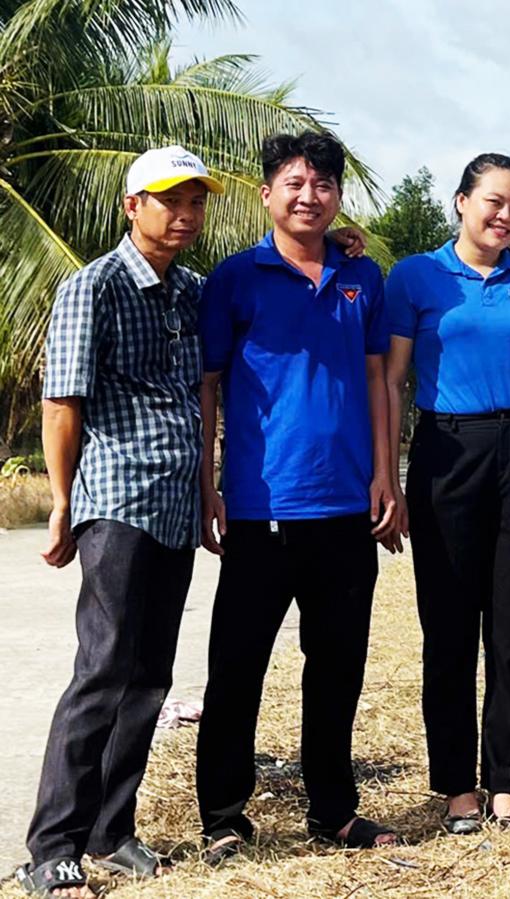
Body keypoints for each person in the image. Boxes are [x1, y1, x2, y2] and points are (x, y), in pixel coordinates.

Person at [15, 146, 221, 898]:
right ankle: (53, 846)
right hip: (116, 500)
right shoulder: (93, 286)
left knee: (151, 675)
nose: (185, 215)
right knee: (102, 668)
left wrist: (207, 491)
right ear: (133, 206)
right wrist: (62, 503)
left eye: (195, 202)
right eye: (169, 200)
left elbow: (202, 393)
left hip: (173, 504)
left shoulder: (193, 291)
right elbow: (61, 403)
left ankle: (111, 829)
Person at [195, 131, 402, 861]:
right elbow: (209, 386)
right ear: (266, 195)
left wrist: (386, 474)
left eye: (323, 184)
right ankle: (223, 815)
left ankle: (334, 811)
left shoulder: (361, 275)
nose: (309, 196)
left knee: (338, 668)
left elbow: (378, 378)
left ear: (338, 196)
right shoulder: (234, 278)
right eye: (294, 182)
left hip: (346, 508)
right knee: (237, 667)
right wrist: (209, 484)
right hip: (262, 509)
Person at [382, 153, 510, 834]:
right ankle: (458, 785)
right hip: (446, 453)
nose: (506, 216)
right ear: (462, 201)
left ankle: (506, 782)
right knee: (449, 629)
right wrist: (388, 472)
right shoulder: (416, 276)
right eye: (494, 201)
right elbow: (392, 380)